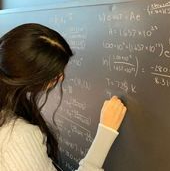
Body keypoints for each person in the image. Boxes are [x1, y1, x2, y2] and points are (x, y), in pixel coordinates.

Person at [0, 23, 127, 171]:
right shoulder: (17, 137)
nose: (61, 78)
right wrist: (106, 132)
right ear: (31, 79)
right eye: (55, 74)